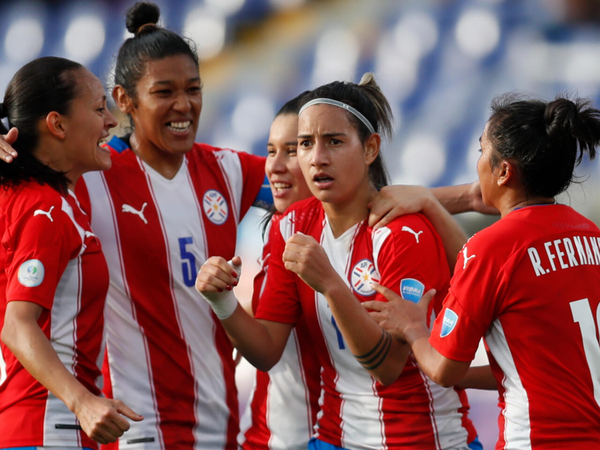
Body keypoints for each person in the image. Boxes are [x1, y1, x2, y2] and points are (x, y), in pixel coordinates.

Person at [197, 74, 479, 449]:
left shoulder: (403, 232)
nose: (317, 158)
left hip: (423, 439)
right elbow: (265, 351)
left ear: (370, 149)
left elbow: (388, 367)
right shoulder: (291, 225)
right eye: (306, 144)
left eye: (333, 142)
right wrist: (222, 301)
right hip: (335, 437)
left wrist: (330, 284)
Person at [74, 3, 267, 449]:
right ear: (124, 100)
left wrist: (455, 200)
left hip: (220, 426)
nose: (184, 105)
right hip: (136, 429)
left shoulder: (227, 170)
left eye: (193, 89)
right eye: (164, 92)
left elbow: (331, 192)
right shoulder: (90, 176)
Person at [365, 94, 600, 449]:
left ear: (504, 171)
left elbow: (443, 369)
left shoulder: (491, 247)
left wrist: (413, 329)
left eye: (481, 151)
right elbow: (533, 367)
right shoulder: (590, 234)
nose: (477, 163)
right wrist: (428, 202)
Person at [0, 57, 142, 449]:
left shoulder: (26, 198)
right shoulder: (46, 209)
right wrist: (82, 402)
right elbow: (17, 324)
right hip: (48, 425)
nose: (111, 121)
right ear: (57, 125)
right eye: (99, 109)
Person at [238, 92, 321, 449]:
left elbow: (268, 346)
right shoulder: (281, 227)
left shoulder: (362, 237)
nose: (274, 165)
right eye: (271, 151)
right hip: (263, 436)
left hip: (314, 439)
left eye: (292, 150)